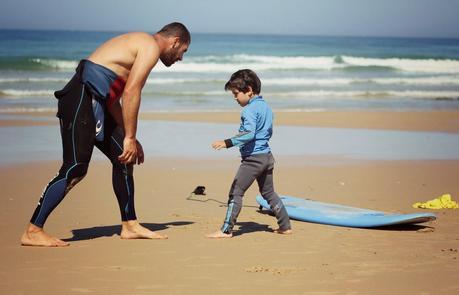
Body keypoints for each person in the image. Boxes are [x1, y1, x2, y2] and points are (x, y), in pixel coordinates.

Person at [20, 22, 191, 247]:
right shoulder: (149, 45)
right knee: (75, 168)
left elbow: (112, 100)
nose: (180, 58)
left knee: (123, 156)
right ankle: (33, 230)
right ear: (175, 41)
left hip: (96, 101)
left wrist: (130, 138)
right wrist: (129, 136)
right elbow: (132, 92)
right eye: (183, 51)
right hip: (80, 97)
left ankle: (129, 225)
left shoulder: (138, 46)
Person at [206, 69, 292, 238]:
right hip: (267, 156)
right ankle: (285, 226)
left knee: (236, 192)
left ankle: (226, 230)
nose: (234, 97)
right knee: (269, 193)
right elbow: (268, 131)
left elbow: (248, 134)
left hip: (253, 160)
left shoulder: (248, 110)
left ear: (250, 90)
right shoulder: (266, 107)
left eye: (236, 93)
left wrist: (227, 143)